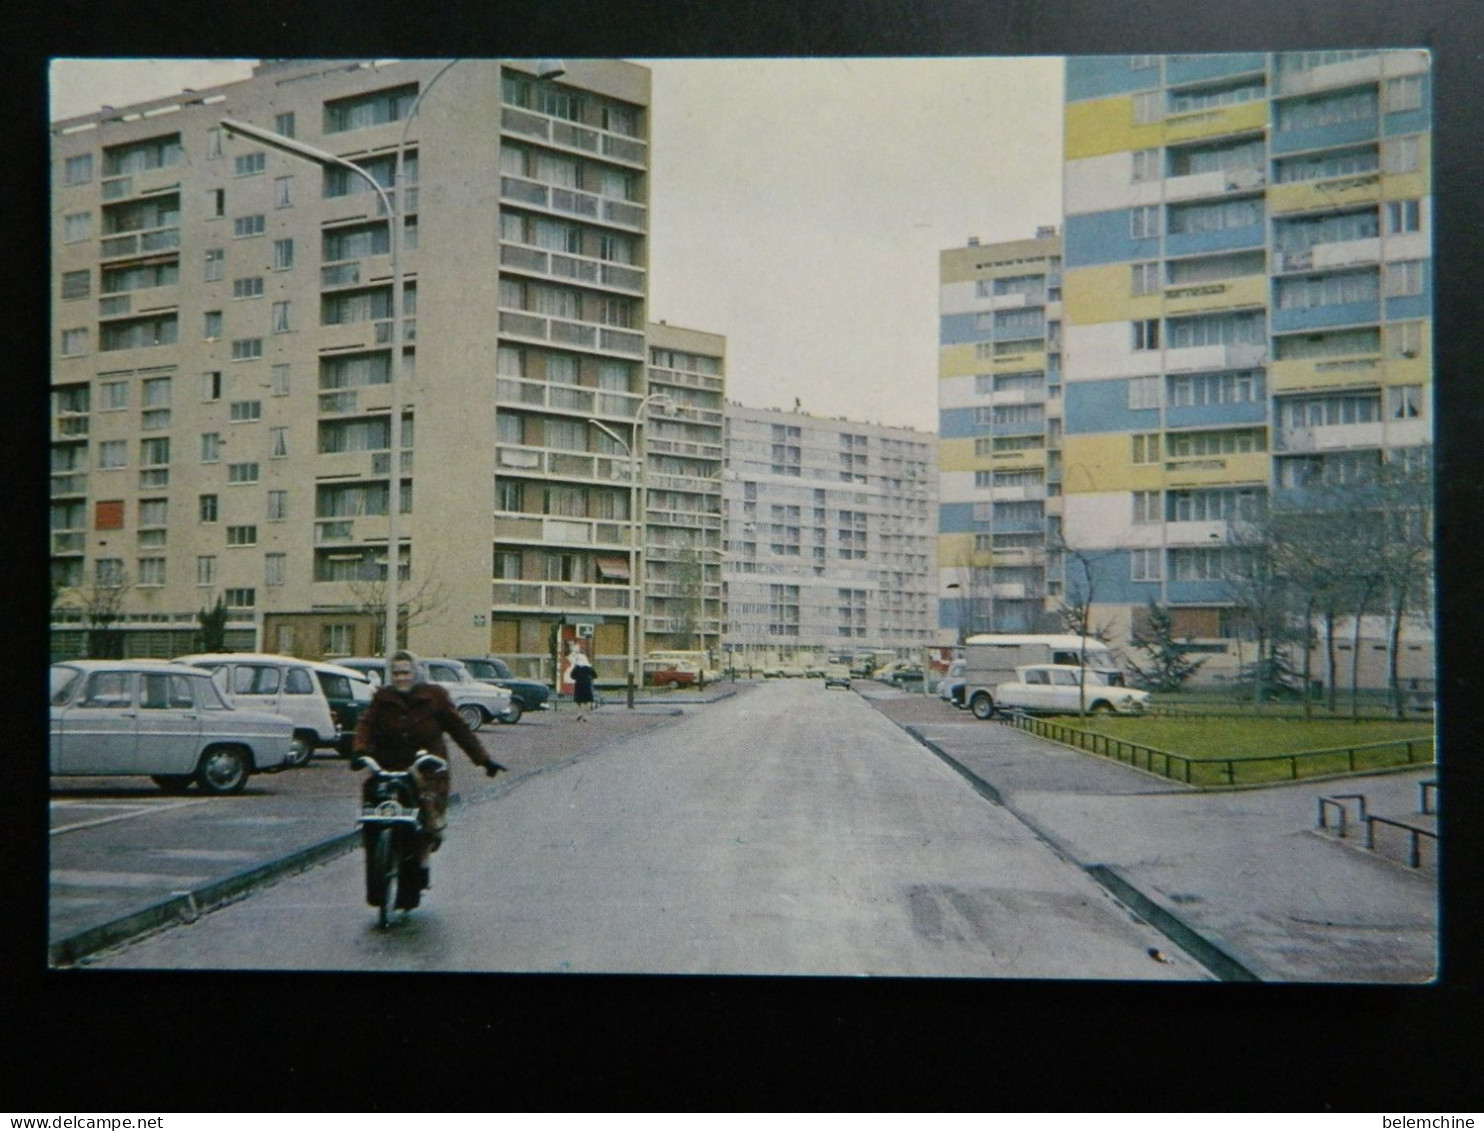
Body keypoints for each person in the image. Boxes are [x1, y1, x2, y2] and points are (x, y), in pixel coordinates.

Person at [351, 651, 506, 885]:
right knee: (374, 803)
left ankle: (422, 855)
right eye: (396, 673)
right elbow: (366, 724)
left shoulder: (435, 697)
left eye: (405, 672)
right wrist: (360, 751)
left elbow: (460, 730)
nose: (401, 677)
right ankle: (377, 857)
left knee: (424, 811)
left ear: (415, 673)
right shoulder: (382, 698)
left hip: (426, 768)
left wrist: (483, 760)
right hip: (388, 765)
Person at [567, 645, 596, 721]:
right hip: (587, 684)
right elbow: (595, 675)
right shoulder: (588, 667)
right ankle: (584, 716)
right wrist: (590, 677)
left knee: (578, 700)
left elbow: (571, 675)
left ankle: (579, 713)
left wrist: (577, 678)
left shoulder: (577, 667)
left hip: (578, 684)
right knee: (586, 700)